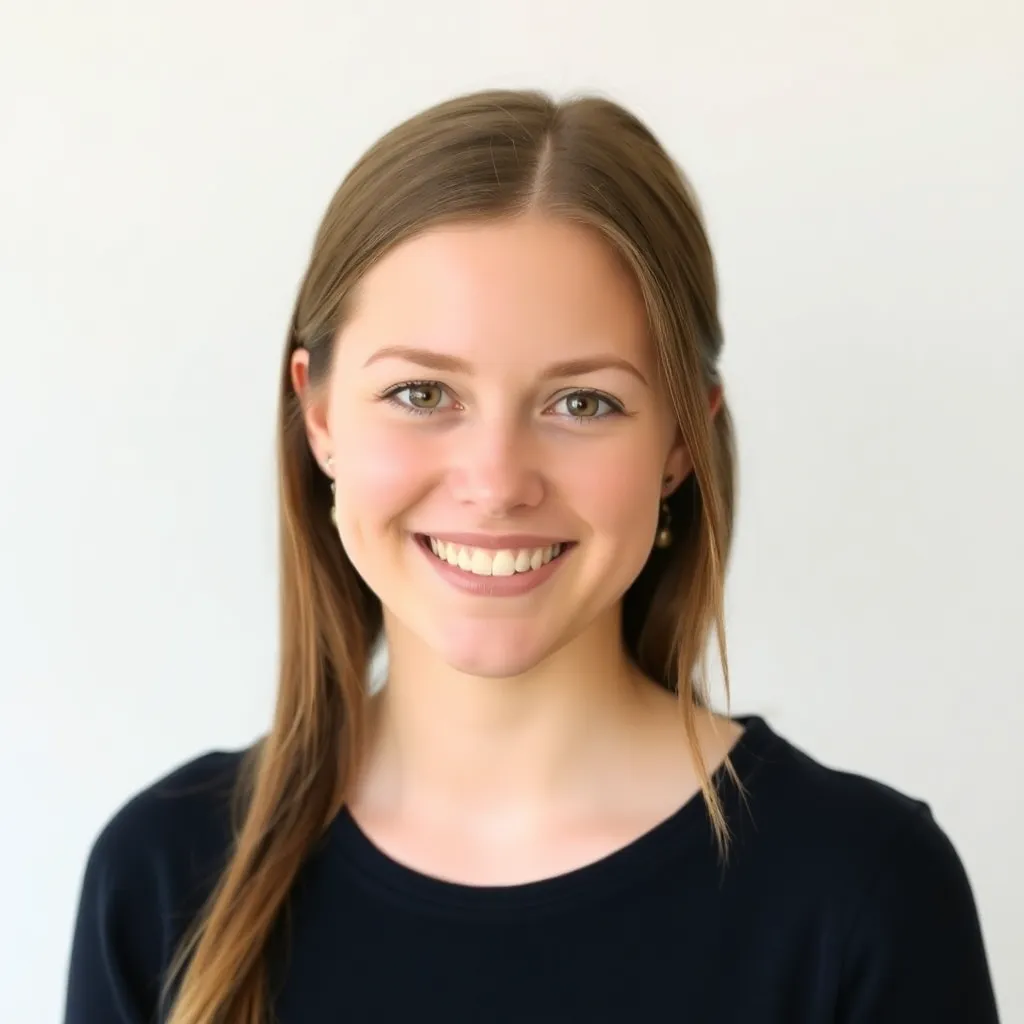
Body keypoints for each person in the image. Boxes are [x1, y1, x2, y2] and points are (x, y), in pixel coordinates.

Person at [64, 89, 999, 1024]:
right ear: (318, 416)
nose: (499, 480)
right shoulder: (162, 876)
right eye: (423, 392)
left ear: (682, 440)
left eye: (583, 403)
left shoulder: (862, 893)